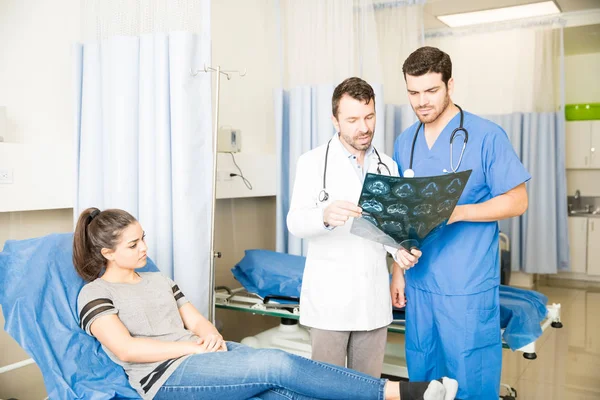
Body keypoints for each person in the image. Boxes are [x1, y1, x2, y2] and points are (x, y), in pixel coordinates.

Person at [73, 207, 458, 400]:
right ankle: (395, 393)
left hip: (201, 356)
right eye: (134, 244)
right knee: (274, 360)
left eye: (143, 238)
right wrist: (191, 347)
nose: (145, 248)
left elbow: (195, 320)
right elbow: (126, 348)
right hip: (164, 378)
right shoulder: (95, 294)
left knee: (284, 394)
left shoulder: (157, 279)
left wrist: (207, 336)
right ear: (107, 252)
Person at [391, 46, 530, 400]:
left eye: (431, 91)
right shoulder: (404, 142)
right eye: (413, 92)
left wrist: (459, 211)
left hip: (467, 286)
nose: (422, 101)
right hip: (420, 284)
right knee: (425, 380)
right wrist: (396, 268)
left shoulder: (486, 135)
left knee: (470, 380)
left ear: (450, 84)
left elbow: (518, 201)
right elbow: (401, 213)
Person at [286, 77, 423, 378]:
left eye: (369, 116)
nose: (363, 127)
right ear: (335, 120)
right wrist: (324, 215)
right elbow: (294, 222)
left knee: (368, 387)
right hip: (329, 302)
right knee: (328, 388)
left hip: (372, 300)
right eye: (352, 119)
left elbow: (391, 229)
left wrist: (401, 253)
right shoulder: (311, 163)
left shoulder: (387, 166)